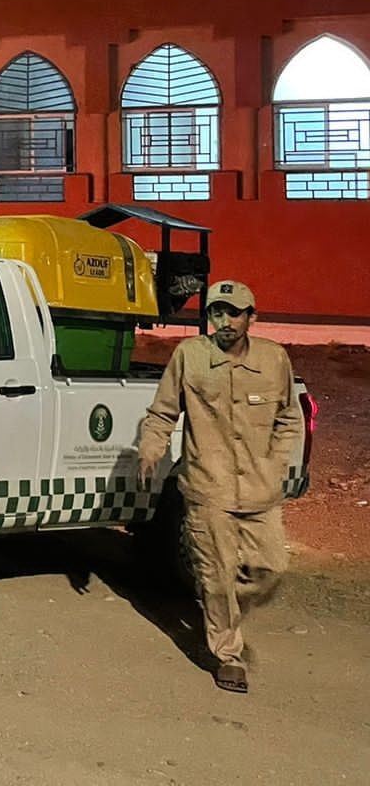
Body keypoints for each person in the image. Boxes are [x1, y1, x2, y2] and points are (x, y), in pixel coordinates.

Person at [137, 281, 302, 693]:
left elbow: (289, 418)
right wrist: (150, 449)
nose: (224, 321)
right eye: (216, 312)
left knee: (271, 569)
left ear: (251, 317)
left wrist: (275, 463)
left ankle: (226, 605)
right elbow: (163, 412)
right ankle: (228, 654)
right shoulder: (190, 356)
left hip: (260, 491)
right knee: (216, 575)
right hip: (208, 487)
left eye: (234, 313)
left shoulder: (273, 359)